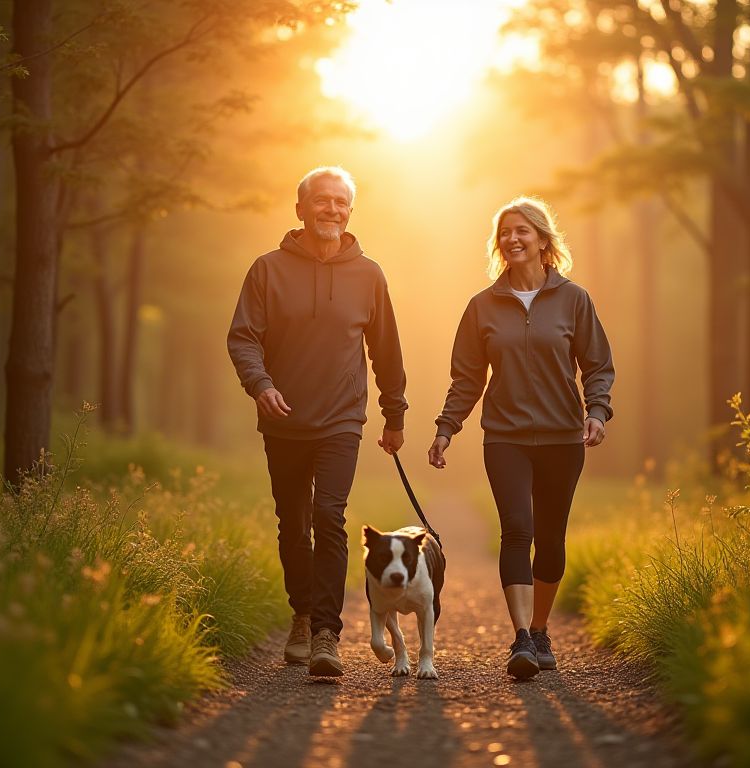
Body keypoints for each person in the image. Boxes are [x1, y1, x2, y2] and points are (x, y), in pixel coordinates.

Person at [228, 166, 408, 677]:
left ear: (350, 210)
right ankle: (302, 616)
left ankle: (327, 632)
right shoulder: (267, 269)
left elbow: (386, 349)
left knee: (330, 516)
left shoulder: (368, 274)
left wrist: (394, 414)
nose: (332, 209)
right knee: (293, 522)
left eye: (341, 202)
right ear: (301, 208)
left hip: (341, 418)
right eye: (322, 201)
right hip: (283, 419)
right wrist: (261, 385)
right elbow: (242, 336)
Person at [428, 196, 614, 680]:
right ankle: (522, 639)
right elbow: (467, 378)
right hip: (505, 437)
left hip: (562, 437)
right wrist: (447, 428)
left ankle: (541, 627)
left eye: (522, 231)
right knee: (518, 530)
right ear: (498, 243)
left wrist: (596, 411)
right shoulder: (482, 306)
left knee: (550, 538)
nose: (512, 239)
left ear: (542, 240)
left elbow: (597, 365)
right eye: (505, 232)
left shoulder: (574, 300)